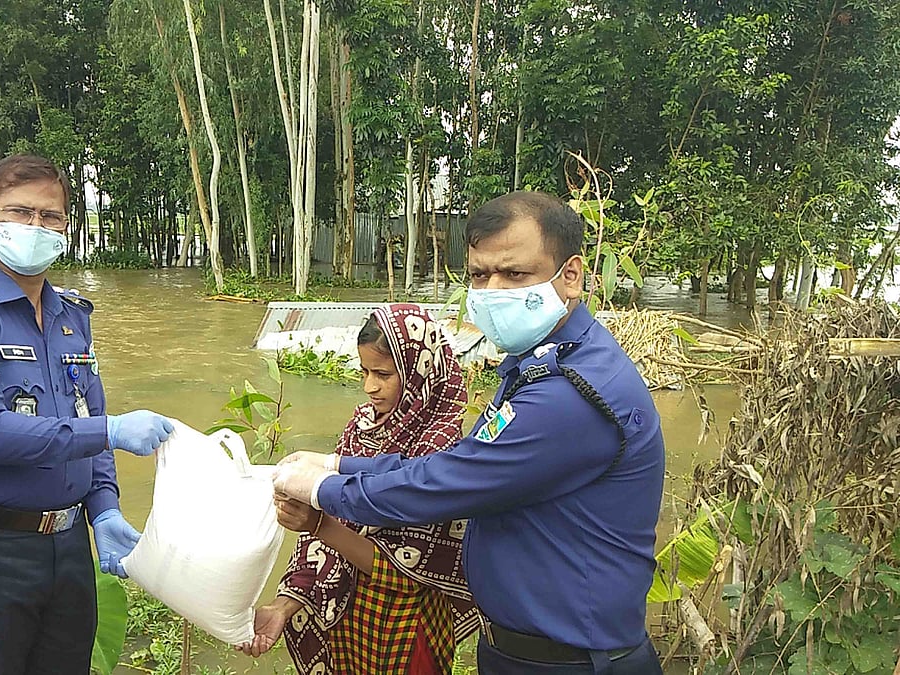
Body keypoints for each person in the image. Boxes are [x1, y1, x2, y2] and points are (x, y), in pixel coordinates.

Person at [274, 191, 667, 674]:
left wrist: (320, 489)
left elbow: (443, 483)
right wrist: (339, 464)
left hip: (571, 661)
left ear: (571, 276)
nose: (493, 290)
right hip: (520, 649)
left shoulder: (568, 395)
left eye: (515, 274)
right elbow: (461, 459)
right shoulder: (535, 366)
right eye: (480, 275)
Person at [0, 153, 173, 675]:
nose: (37, 226)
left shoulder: (72, 316)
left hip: (69, 548)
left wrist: (104, 508)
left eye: (51, 217)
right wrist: (111, 431)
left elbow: (85, 413)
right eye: (21, 212)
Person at [240, 304, 479, 674]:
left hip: (405, 624)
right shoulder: (363, 423)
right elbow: (325, 510)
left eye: (383, 374)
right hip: (347, 615)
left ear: (421, 375)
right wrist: (285, 604)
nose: (370, 387)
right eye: (365, 371)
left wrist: (319, 525)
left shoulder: (441, 450)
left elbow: (407, 571)